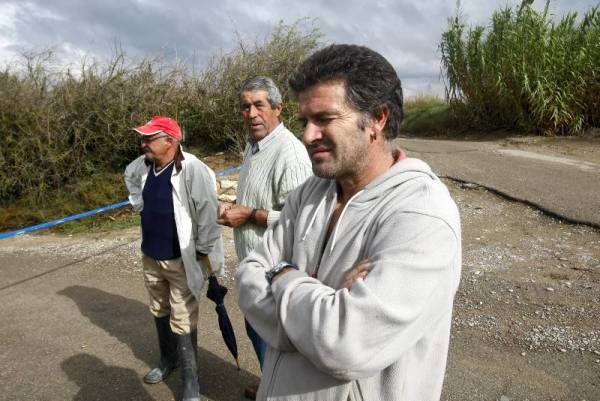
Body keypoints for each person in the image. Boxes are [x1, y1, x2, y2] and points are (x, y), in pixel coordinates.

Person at [235, 45, 462, 401]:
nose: (308, 136)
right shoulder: (307, 194)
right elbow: (248, 277)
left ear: (377, 118)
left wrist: (283, 276)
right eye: (304, 122)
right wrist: (321, 306)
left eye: (324, 118)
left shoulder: (422, 213)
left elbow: (345, 343)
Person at [217, 76, 312, 399]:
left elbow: (301, 221)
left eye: (259, 105)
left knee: (276, 341)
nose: (252, 113)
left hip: (278, 272)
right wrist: (236, 209)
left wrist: (250, 215)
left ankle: (279, 391)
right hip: (255, 268)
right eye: (246, 107)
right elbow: (258, 198)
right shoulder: (254, 145)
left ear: (278, 109)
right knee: (257, 332)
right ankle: (270, 383)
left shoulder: (290, 153)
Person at [124, 116, 224, 401]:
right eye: (142, 137)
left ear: (171, 140)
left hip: (181, 259)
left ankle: (191, 380)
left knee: (182, 317)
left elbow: (207, 214)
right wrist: (138, 204)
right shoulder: (143, 165)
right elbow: (129, 176)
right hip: (150, 254)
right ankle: (168, 360)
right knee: (158, 308)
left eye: (149, 138)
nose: (143, 143)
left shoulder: (194, 169)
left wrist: (203, 251)